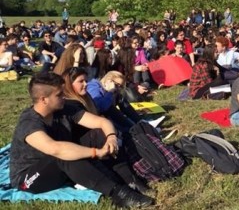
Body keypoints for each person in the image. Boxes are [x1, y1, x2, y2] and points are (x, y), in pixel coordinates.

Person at [9, 72, 154, 207]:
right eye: (59, 95)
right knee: (62, 155)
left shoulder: (63, 108)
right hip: (29, 178)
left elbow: (101, 122)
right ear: (43, 100)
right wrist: (95, 152)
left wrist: (111, 138)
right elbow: (55, 148)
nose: (64, 97)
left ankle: (130, 180)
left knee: (97, 134)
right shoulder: (29, 123)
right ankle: (118, 193)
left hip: (61, 164)